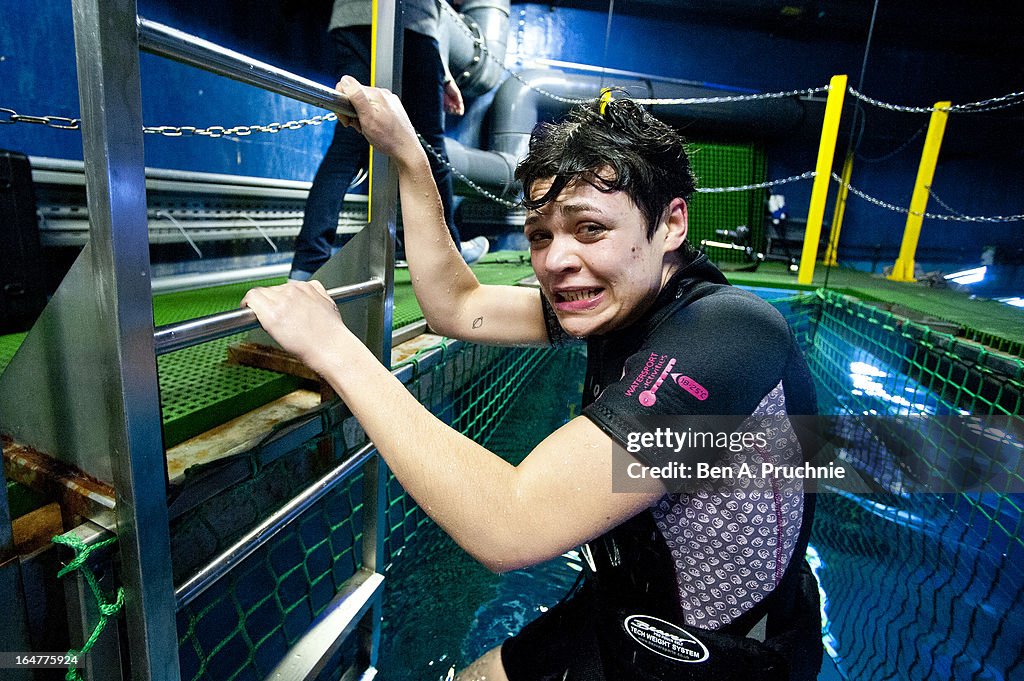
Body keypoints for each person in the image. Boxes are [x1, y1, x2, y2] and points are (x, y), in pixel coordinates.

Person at [245, 76, 824, 680]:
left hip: (718, 657)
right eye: (541, 235)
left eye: (590, 229)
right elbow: (456, 305)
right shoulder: (618, 301)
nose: (554, 260)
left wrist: (337, 349)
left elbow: (511, 525)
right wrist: (410, 156)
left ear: (672, 224)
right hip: (627, 605)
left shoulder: (732, 335)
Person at [289, 0, 488, 281]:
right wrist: (440, 72)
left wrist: (441, 74)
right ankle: (449, 255)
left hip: (352, 19)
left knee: (347, 145)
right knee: (429, 146)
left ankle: (306, 265)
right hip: (411, 24)